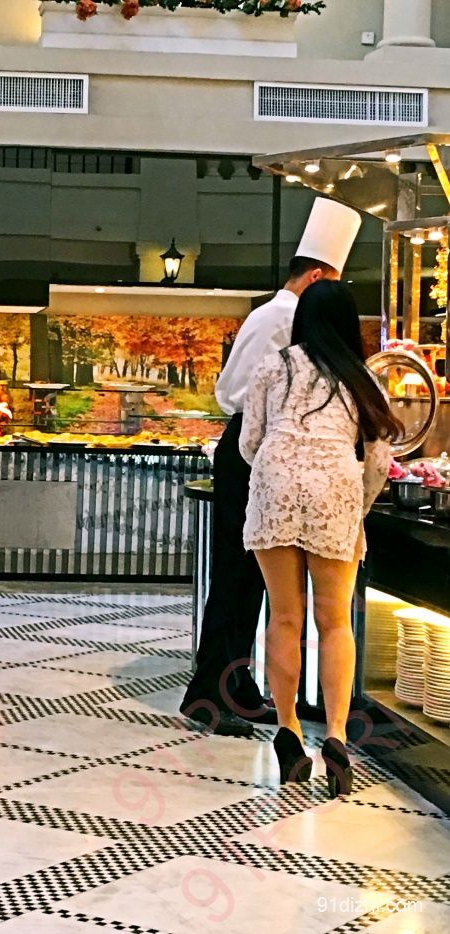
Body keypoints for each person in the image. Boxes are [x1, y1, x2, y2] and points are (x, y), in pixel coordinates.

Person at [180, 198, 362, 737]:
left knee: (253, 586)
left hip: (264, 455)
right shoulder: (282, 319)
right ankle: (210, 694)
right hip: (252, 453)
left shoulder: (272, 315)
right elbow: (248, 401)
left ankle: (238, 687)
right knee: (237, 579)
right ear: (316, 278)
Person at [239, 280, 402, 797]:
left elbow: (249, 442)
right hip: (335, 485)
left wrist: (278, 470)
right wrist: (359, 507)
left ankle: (288, 729)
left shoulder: (274, 367)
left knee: (283, 617)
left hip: (276, 481)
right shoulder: (361, 379)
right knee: (334, 623)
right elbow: (378, 459)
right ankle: (335, 736)